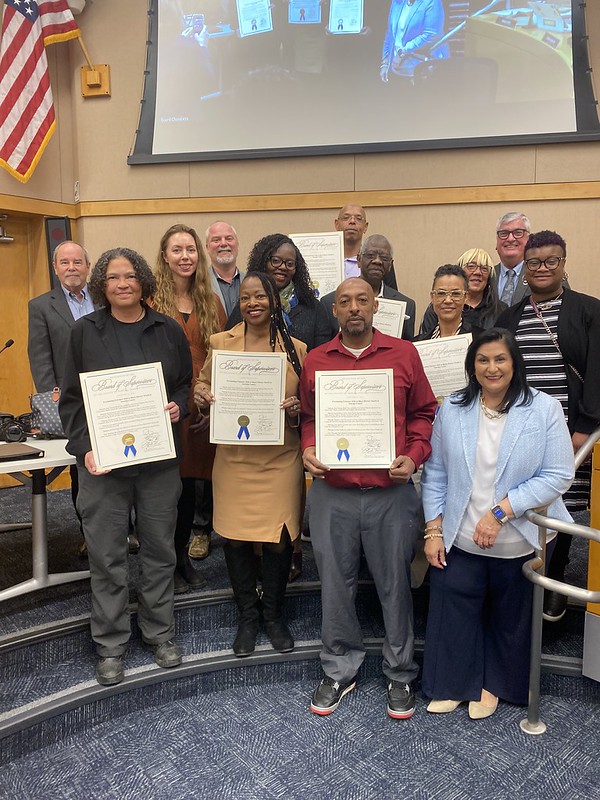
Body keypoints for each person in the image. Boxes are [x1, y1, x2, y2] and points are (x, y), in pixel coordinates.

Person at [300, 277, 436, 718]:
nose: (354, 308)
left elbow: (423, 413)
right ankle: (340, 668)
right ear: (333, 311)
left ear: (376, 306)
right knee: (335, 585)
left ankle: (400, 673)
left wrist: (414, 457)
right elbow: (306, 417)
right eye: (345, 302)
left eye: (362, 300)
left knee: (395, 585)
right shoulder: (317, 361)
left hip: (390, 493)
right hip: (333, 494)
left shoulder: (404, 354)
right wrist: (306, 448)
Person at [421, 329, 574, 717]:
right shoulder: (453, 408)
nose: (492, 368)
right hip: (460, 534)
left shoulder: (543, 408)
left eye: (500, 359)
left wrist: (501, 511)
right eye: (483, 360)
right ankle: (456, 682)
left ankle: (492, 684)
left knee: (509, 616)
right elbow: (436, 473)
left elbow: (558, 474)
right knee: (454, 609)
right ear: (472, 366)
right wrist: (433, 530)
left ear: (514, 363)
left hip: (518, 535)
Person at [59, 247, 192, 686]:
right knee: (107, 555)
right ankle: (111, 643)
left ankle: (159, 633)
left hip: (157, 464)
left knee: (159, 551)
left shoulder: (167, 330)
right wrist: (84, 450)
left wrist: (180, 406)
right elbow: (72, 400)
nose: (122, 284)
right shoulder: (83, 332)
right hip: (102, 467)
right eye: (113, 277)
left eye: (130, 276)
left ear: (143, 282)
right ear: (102, 284)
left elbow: (184, 385)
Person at [196, 272, 307, 657]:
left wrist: (295, 410)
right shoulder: (220, 344)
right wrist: (201, 393)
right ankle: (247, 615)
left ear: (275, 301)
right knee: (237, 539)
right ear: (238, 304)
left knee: (278, 541)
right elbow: (201, 385)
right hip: (234, 459)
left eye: (261, 296)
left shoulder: (297, 349)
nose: (253, 303)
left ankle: (273, 615)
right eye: (246, 298)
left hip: (279, 460)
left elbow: (307, 409)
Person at [497, 230, 600, 621]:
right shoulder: (510, 316)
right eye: (535, 262)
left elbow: (597, 371)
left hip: (571, 429)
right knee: (523, 498)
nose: (542, 268)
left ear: (563, 263)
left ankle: (554, 578)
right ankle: (528, 572)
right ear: (524, 267)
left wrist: (584, 427)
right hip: (520, 429)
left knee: (565, 503)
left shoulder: (589, 310)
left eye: (551, 261)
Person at [152, 224, 226, 590]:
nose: (185, 257)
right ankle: (164, 562)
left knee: (190, 485)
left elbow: (223, 356)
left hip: (201, 406)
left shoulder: (210, 302)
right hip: (162, 407)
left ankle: (182, 558)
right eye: (177, 250)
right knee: (166, 489)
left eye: (191, 250)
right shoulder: (149, 299)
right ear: (164, 255)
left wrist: (211, 407)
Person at [27, 241, 104, 555]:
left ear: (87, 266)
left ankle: (124, 529)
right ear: (56, 267)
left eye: (78, 262)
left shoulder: (105, 299)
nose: (72, 268)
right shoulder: (41, 305)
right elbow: (41, 357)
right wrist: (51, 395)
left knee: (119, 459)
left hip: (108, 394)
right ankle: (89, 533)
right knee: (81, 465)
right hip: (70, 400)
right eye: (65, 262)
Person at [226, 233, 331, 351]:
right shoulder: (248, 306)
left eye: (290, 264)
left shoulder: (313, 307)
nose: (283, 267)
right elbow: (230, 345)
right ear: (263, 262)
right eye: (276, 261)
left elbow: (322, 355)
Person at [321, 234, 415, 339]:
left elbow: (407, 348)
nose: (377, 261)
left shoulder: (407, 305)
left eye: (384, 257)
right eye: (370, 255)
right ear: (358, 259)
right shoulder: (329, 301)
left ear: (390, 265)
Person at [419, 248, 505, 335]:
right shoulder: (439, 307)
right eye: (471, 266)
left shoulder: (500, 309)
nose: (478, 272)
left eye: (484, 269)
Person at [380, 0, 448, 82]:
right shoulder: (397, 1)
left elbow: (431, 35)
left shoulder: (432, 2)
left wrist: (402, 52)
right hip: (397, 70)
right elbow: (390, 33)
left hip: (422, 72)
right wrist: (385, 63)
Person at [334, 204, 398, 289]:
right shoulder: (324, 259)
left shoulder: (380, 261)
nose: (352, 221)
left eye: (359, 218)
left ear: (365, 227)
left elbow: (391, 296)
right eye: (346, 218)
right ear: (337, 224)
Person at [415, 264, 480, 341]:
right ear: (432, 297)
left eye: (455, 294)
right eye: (441, 293)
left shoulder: (481, 340)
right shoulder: (418, 344)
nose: (448, 300)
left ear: (465, 297)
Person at [205, 221, 246, 317]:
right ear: (207, 247)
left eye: (229, 238)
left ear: (237, 245)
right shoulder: (198, 284)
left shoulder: (251, 282)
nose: (223, 243)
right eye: (216, 240)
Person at [492, 212, 532, 307]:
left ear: (529, 240)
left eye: (518, 233)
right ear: (497, 242)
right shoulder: (486, 276)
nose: (510, 239)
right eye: (504, 233)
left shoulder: (542, 274)